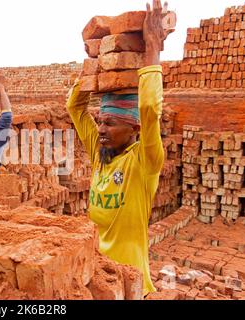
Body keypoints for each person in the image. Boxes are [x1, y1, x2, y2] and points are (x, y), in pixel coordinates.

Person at [66, 0, 173, 296]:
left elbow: (150, 108)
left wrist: (152, 49)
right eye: (100, 121)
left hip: (130, 285)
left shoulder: (144, 163)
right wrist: (96, 64)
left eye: (110, 123)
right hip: (98, 278)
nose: (100, 129)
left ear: (134, 129)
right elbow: (74, 107)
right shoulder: (101, 155)